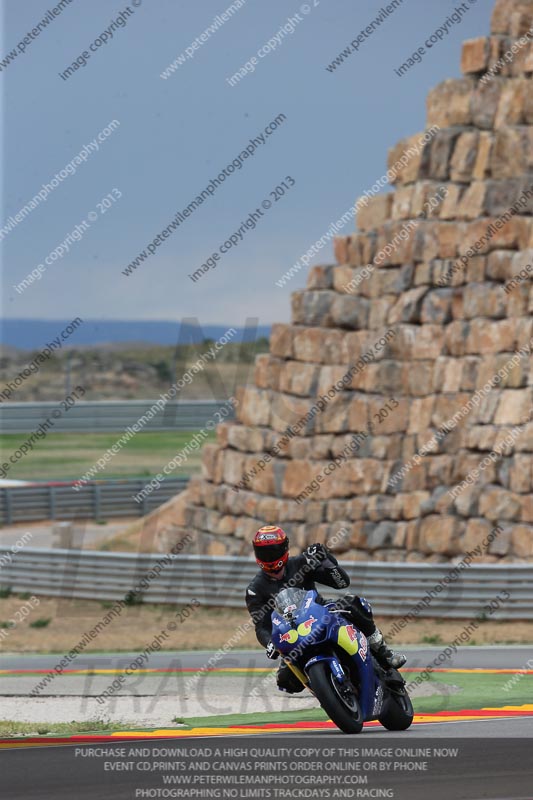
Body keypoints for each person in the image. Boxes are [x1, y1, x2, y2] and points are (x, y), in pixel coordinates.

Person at [245, 525, 406, 694]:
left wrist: (325, 558)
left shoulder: (301, 563)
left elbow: (341, 583)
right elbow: (261, 626)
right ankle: (324, 692)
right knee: (286, 680)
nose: (269, 556)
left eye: (273, 550)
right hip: (294, 633)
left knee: (352, 604)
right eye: (263, 552)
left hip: (322, 613)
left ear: (284, 548)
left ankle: (383, 652)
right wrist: (270, 642)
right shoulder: (255, 590)